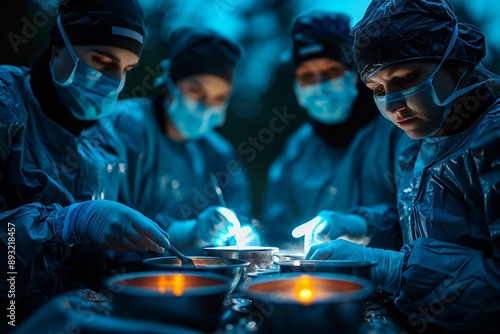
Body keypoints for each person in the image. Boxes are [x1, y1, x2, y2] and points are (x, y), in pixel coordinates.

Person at [307, 0, 500, 331]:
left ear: (454, 62)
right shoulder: (416, 145)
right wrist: (360, 227)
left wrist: (394, 269)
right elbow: (419, 222)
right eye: (378, 89)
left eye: (406, 78)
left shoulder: (492, 142)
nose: (392, 104)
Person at [0, 0, 170, 328]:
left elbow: (108, 256)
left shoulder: (106, 141)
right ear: (59, 44)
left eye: (127, 69)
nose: (115, 81)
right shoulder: (7, 107)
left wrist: (174, 237)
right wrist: (64, 224)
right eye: (102, 61)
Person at [110, 26, 260, 256]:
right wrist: (188, 232)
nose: (207, 105)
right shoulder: (125, 128)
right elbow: (110, 222)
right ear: (170, 84)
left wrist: (249, 234)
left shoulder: (219, 155)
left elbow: (241, 214)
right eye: (196, 91)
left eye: (219, 98)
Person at [260, 11, 403, 252]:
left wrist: (360, 226)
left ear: (355, 75)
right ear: (296, 87)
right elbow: (276, 232)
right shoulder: (297, 149)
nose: (320, 86)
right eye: (306, 76)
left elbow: (420, 222)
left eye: (331, 72)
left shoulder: (396, 130)